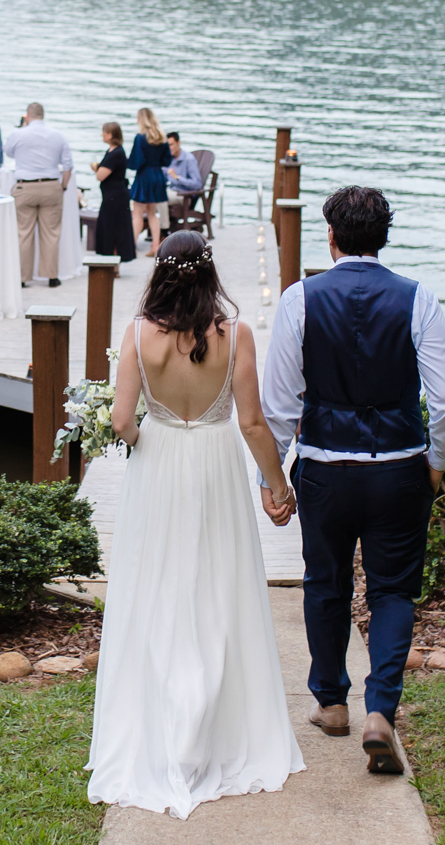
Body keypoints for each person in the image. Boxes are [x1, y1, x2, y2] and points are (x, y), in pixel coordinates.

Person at [87, 230, 303, 817]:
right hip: (214, 464)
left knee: (157, 588)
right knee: (218, 588)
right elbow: (254, 424)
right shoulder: (236, 335)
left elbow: (121, 418)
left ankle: (161, 725)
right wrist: (278, 487)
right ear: (211, 275)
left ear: (159, 271)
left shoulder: (138, 334)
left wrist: (142, 441)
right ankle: (218, 727)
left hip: (159, 467)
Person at [258, 186, 445, 775]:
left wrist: (273, 479)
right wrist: (437, 459)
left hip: (325, 467)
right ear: (385, 238)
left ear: (330, 236)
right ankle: (380, 710)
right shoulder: (416, 298)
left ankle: (331, 703)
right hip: (399, 466)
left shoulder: (301, 300)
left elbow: (278, 403)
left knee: (324, 583)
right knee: (392, 590)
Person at [3, 101, 72, 286]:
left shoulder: (18, 134)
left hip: (25, 187)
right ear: (43, 115)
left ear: (28, 115)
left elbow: (8, 152)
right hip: (50, 186)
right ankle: (51, 277)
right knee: (51, 233)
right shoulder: (58, 135)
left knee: (23, 232)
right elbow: (67, 165)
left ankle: (22, 278)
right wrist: (63, 186)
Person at [128, 107, 172, 256]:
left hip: (144, 176)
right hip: (157, 176)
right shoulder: (162, 137)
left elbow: (136, 161)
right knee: (153, 214)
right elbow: (167, 161)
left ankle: (131, 246)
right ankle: (155, 246)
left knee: (137, 213)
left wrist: (129, 164)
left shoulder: (140, 138)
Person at [90, 122, 136, 262]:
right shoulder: (113, 151)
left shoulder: (116, 153)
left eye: (104, 132)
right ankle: (112, 260)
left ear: (110, 135)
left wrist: (97, 170)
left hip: (115, 197)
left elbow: (100, 176)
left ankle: (115, 262)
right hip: (112, 195)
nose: (102, 135)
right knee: (111, 228)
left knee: (114, 229)